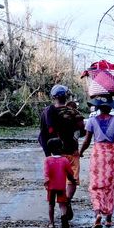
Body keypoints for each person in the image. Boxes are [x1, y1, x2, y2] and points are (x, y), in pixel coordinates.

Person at [79, 97, 114, 228]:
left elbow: (86, 141)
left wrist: (80, 152)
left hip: (98, 154)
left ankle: (98, 213)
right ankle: (108, 219)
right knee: (110, 186)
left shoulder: (92, 121)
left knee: (96, 185)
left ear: (97, 108)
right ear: (111, 108)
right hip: (112, 155)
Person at [37, 85, 85, 220]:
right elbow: (82, 130)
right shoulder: (74, 112)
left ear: (53, 97)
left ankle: (62, 203)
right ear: (67, 97)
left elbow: (43, 133)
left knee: (58, 179)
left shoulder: (47, 113)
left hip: (55, 154)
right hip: (72, 151)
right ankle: (67, 200)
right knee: (72, 179)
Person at [44, 138, 78, 228]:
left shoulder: (47, 160)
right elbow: (70, 173)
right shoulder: (64, 160)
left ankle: (51, 223)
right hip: (61, 186)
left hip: (51, 187)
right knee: (62, 204)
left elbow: (46, 173)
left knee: (51, 205)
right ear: (61, 148)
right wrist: (73, 180)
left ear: (50, 149)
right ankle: (64, 217)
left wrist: (46, 182)